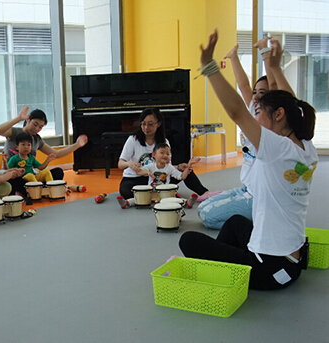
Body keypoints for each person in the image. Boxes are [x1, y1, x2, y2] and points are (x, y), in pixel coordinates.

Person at [179, 30, 318, 290]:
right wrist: (273, 65)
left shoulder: (277, 148)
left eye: (259, 112)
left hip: (271, 268)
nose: (255, 117)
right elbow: (293, 103)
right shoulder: (304, 146)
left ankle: (225, 270)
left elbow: (236, 111)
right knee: (235, 223)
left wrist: (209, 67)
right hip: (292, 261)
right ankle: (224, 265)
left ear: (278, 115)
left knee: (188, 241)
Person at [197, 38, 276, 229]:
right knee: (203, 207)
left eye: (262, 93)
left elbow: (274, 86)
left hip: (260, 196)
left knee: (208, 215)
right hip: (247, 187)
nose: (256, 96)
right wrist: (233, 57)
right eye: (256, 92)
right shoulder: (253, 108)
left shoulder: (271, 125)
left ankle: (259, 218)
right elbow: (243, 85)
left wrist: (266, 53)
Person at [117, 108, 209, 201]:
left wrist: (179, 167)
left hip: (158, 177)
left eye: (150, 124)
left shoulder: (164, 142)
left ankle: (205, 193)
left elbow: (167, 166)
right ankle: (164, 193)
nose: (146, 128)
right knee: (125, 191)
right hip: (135, 178)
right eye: (143, 124)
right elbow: (120, 164)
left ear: (159, 124)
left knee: (186, 170)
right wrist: (129, 164)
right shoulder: (133, 140)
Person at [0, 106, 88, 195]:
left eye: (40, 127)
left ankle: (38, 190)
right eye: (35, 124)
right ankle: (38, 191)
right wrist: (18, 118)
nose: (37, 129)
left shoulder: (37, 139)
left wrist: (77, 145)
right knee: (15, 182)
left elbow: (56, 154)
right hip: (13, 176)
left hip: (32, 176)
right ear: (28, 120)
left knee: (58, 172)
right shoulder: (15, 132)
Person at [117, 142, 199, 209]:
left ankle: (187, 202)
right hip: (151, 192)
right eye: (162, 153)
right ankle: (126, 203)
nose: (165, 155)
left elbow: (182, 176)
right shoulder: (151, 166)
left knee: (173, 200)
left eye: (168, 154)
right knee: (140, 198)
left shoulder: (169, 168)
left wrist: (189, 166)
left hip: (164, 193)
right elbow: (138, 172)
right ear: (154, 155)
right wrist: (147, 173)